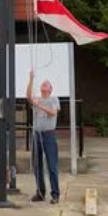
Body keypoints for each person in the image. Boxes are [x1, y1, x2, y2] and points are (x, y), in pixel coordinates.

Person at [26, 69, 61, 204]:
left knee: (52, 165)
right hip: (37, 134)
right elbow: (28, 95)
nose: (44, 85)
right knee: (37, 165)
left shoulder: (53, 99)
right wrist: (31, 79)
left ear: (50, 89)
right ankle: (40, 192)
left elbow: (53, 113)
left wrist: (39, 105)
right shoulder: (37, 98)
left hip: (49, 135)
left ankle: (55, 194)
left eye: (47, 84)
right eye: (43, 84)